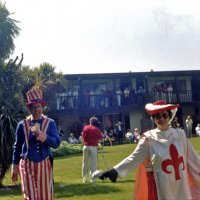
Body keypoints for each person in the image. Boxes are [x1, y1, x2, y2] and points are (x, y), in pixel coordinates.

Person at [95, 100, 200, 200]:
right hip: (160, 186)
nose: (161, 119)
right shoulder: (148, 139)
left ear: (169, 116)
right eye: (158, 116)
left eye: (164, 115)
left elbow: (193, 159)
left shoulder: (180, 135)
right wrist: (115, 171)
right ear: (153, 119)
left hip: (180, 185)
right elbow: (134, 157)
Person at [11, 87, 61, 200]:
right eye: (33, 107)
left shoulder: (50, 123)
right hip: (26, 163)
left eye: (39, 106)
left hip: (44, 163)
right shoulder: (22, 124)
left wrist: (43, 136)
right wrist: (14, 167)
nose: (37, 110)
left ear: (42, 107)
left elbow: (56, 143)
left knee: (45, 196)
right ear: (29, 108)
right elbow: (17, 146)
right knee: (30, 197)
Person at [82, 116, 103, 183]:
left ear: (90, 122)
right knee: (93, 164)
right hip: (93, 147)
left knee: (85, 163)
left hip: (85, 147)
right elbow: (100, 138)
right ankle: (93, 179)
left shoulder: (85, 127)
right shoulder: (97, 129)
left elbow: (83, 137)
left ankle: (84, 179)